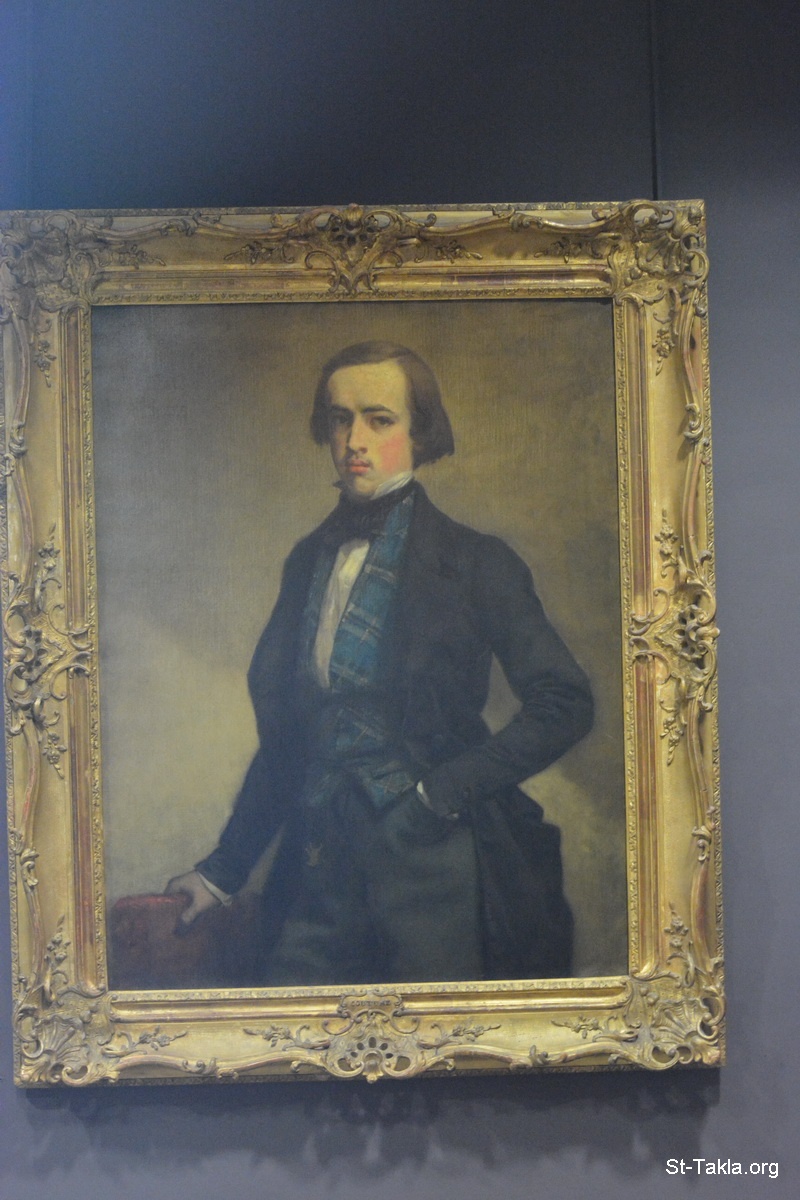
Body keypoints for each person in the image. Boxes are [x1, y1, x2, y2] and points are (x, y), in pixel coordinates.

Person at [166, 341, 593, 984]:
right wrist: (222, 872)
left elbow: (566, 702)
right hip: (317, 865)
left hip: (435, 864)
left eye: (379, 419)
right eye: (340, 419)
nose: (354, 440)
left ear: (420, 433)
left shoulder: (477, 563)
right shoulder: (307, 561)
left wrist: (438, 795)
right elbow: (288, 739)